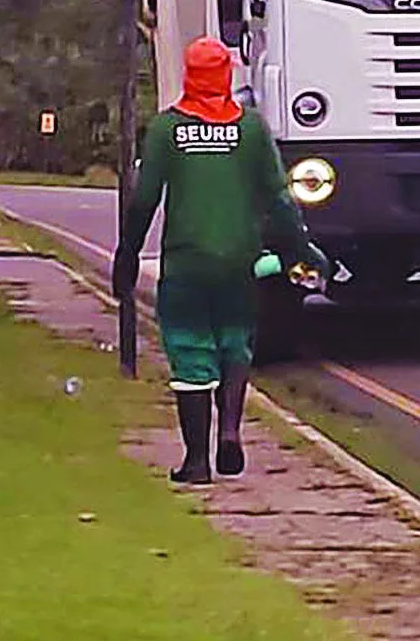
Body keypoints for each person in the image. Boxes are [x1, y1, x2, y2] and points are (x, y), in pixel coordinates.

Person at [112, 39, 326, 486]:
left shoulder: (167, 130)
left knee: (190, 353)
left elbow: (143, 199)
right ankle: (229, 430)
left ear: (190, 75)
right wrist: (299, 251)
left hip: (187, 267)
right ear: (226, 75)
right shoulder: (250, 130)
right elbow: (279, 200)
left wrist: (128, 255)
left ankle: (196, 461)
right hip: (239, 265)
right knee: (234, 344)